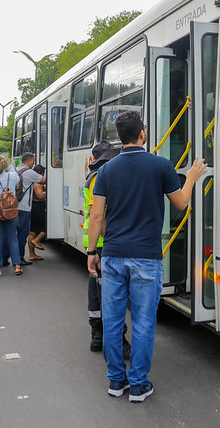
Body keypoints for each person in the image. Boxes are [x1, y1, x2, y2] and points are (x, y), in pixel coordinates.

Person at [86, 111, 207, 402]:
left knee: (113, 322)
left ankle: (116, 381)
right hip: (147, 258)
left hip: (113, 256)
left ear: (118, 137)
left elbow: (97, 215)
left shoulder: (106, 171)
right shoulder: (161, 166)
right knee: (142, 322)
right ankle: (138, 384)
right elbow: (180, 203)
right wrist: (190, 177)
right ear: (143, 134)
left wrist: (91, 251)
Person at [82, 140, 128, 354]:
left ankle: (97, 335)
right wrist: (108, 242)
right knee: (111, 295)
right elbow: (97, 216)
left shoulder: (93, 176)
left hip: (96, 245)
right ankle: (117, 339)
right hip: (103, 244)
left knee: (97, 292)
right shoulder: (100, 178)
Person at [15, 152, 45, 266]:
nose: (33, 163)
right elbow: (43, 180)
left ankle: (8, 257)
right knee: (22, 235)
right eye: (33, 161)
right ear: (28, 161)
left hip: (13, 207)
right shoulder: (29, 172)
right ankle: (19, 258)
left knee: (13, 235)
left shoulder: (15, 170)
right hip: (24, 209)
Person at [27, 164, 46, 260]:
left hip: (33, 206)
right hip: (38, 206)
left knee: (32, 232)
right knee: (46, 227)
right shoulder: (37, 182)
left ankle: (32, 255)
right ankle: (37, 241)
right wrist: (49, 190)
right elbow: (40, 195)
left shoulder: (33, 181)